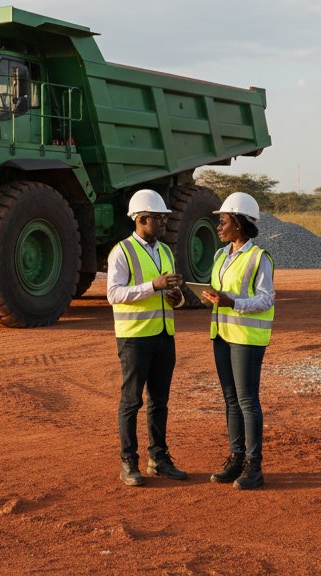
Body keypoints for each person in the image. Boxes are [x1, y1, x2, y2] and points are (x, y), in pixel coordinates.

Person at [107, 189, 189, 487]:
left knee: (160, 401)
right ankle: (129, 462)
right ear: (142, 219)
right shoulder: (122, 251)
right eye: (159, 218)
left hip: (164, 336)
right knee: (131, 402)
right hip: (135, 339)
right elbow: (113, 294)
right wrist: (152, 286)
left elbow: (169, 297)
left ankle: (159, 458)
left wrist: (175, 297)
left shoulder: (165, 251)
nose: (164, 223)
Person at [200, 192, 275, 490]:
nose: (218, 227)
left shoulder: (259, 257)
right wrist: (211, 298)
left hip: (246, 337)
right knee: (231, 400)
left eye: (223, 221)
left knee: (247, 401)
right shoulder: (221, 256)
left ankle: (253, 466)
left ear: (239, 224)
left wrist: (233, 302)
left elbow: (266, 299)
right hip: (222, 335)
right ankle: (236, 458)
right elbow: (221, 294)